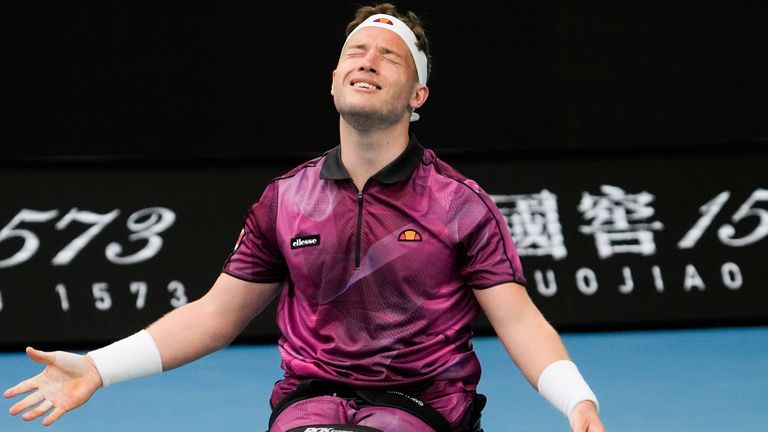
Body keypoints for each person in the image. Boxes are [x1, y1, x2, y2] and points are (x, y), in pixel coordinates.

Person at [4, 3, 605, 431]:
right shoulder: (285, 199)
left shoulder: (458, 204)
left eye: (390, 58)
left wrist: (578, 401)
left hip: (424, 405)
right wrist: (97, 368)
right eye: (356, 52)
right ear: (334, 79)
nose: (367, 62)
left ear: (418, 95)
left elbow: (519, 322)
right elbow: (215, 316)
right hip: (310, 404)